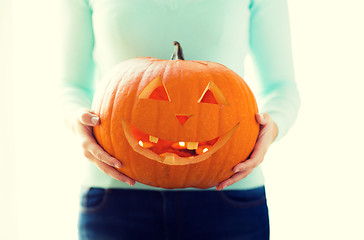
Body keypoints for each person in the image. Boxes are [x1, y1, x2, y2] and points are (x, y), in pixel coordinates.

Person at [60, 0, 300, 239]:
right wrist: (76, 120)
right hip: (114, 195)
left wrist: (273, 126)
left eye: (208, 99)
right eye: (158, 95)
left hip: (229, 195)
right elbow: (71, 86)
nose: (181, 117)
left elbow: (281, 87)